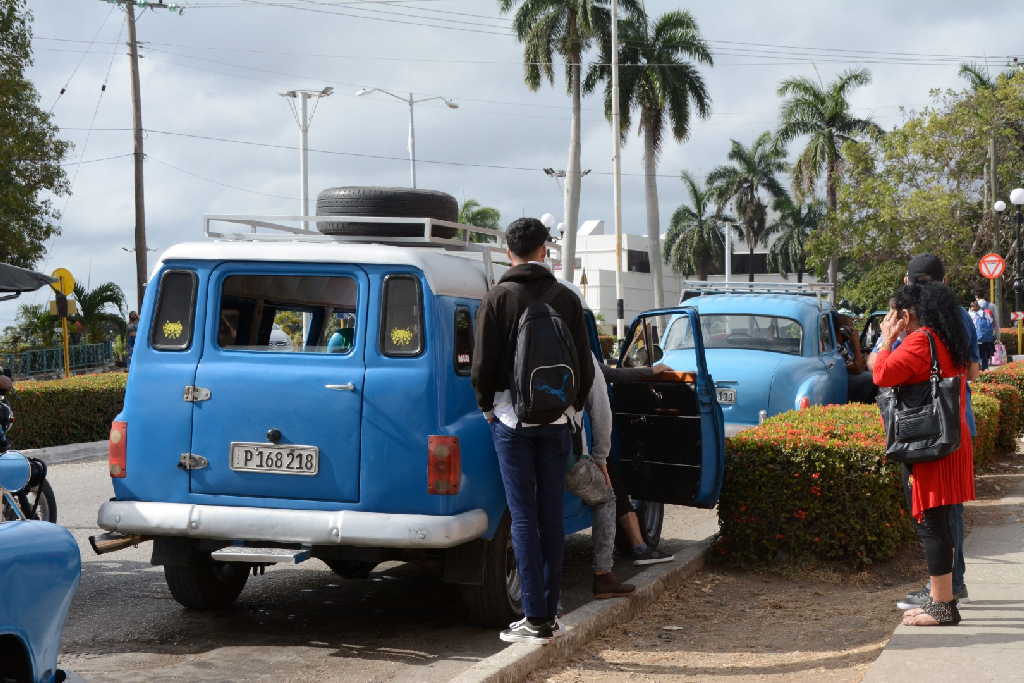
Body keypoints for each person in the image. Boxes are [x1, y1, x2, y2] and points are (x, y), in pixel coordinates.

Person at [471, 217, 594, 644]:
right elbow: (584, 362)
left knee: (522, 517)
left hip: (512, 421)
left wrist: (488, 408)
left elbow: (483, 366)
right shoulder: (566, 298)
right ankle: (550, 613)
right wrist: (572, 407)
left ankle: (535, 618)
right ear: (545, 250)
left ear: (510, 252)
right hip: (558, 421)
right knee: (551, 516)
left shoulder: (497, 297)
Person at [866, 254, 977, 610]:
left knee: (931, 523)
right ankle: (942, 599)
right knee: (942, 520)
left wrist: (886, 339)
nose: (891, 320)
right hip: (951, 437)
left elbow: (881, 374)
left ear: (908, 313)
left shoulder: (919, 341)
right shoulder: (948, 335)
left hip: (928, 442)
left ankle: (941, 604)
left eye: (894, 313)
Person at [835, 313, 875, 403]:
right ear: (843, 330)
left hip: (844, 377)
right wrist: (856, 342)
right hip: (841, 381)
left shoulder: (843, 344)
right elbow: (858, 369)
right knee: (869, 377)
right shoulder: (837, 347)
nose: (853, 332)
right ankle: (859, 405)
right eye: (851, 329)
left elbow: (857, 363)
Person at [969, 301, 996, 370]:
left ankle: (978, 367)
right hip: (985, 337)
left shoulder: (971, 314)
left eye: (972, 307)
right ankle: (984, 367)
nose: (971, 308)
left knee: (976, 352)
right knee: (984, 352)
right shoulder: (985, 313)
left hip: (976, 337)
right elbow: (991, 322)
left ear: (974, 307)